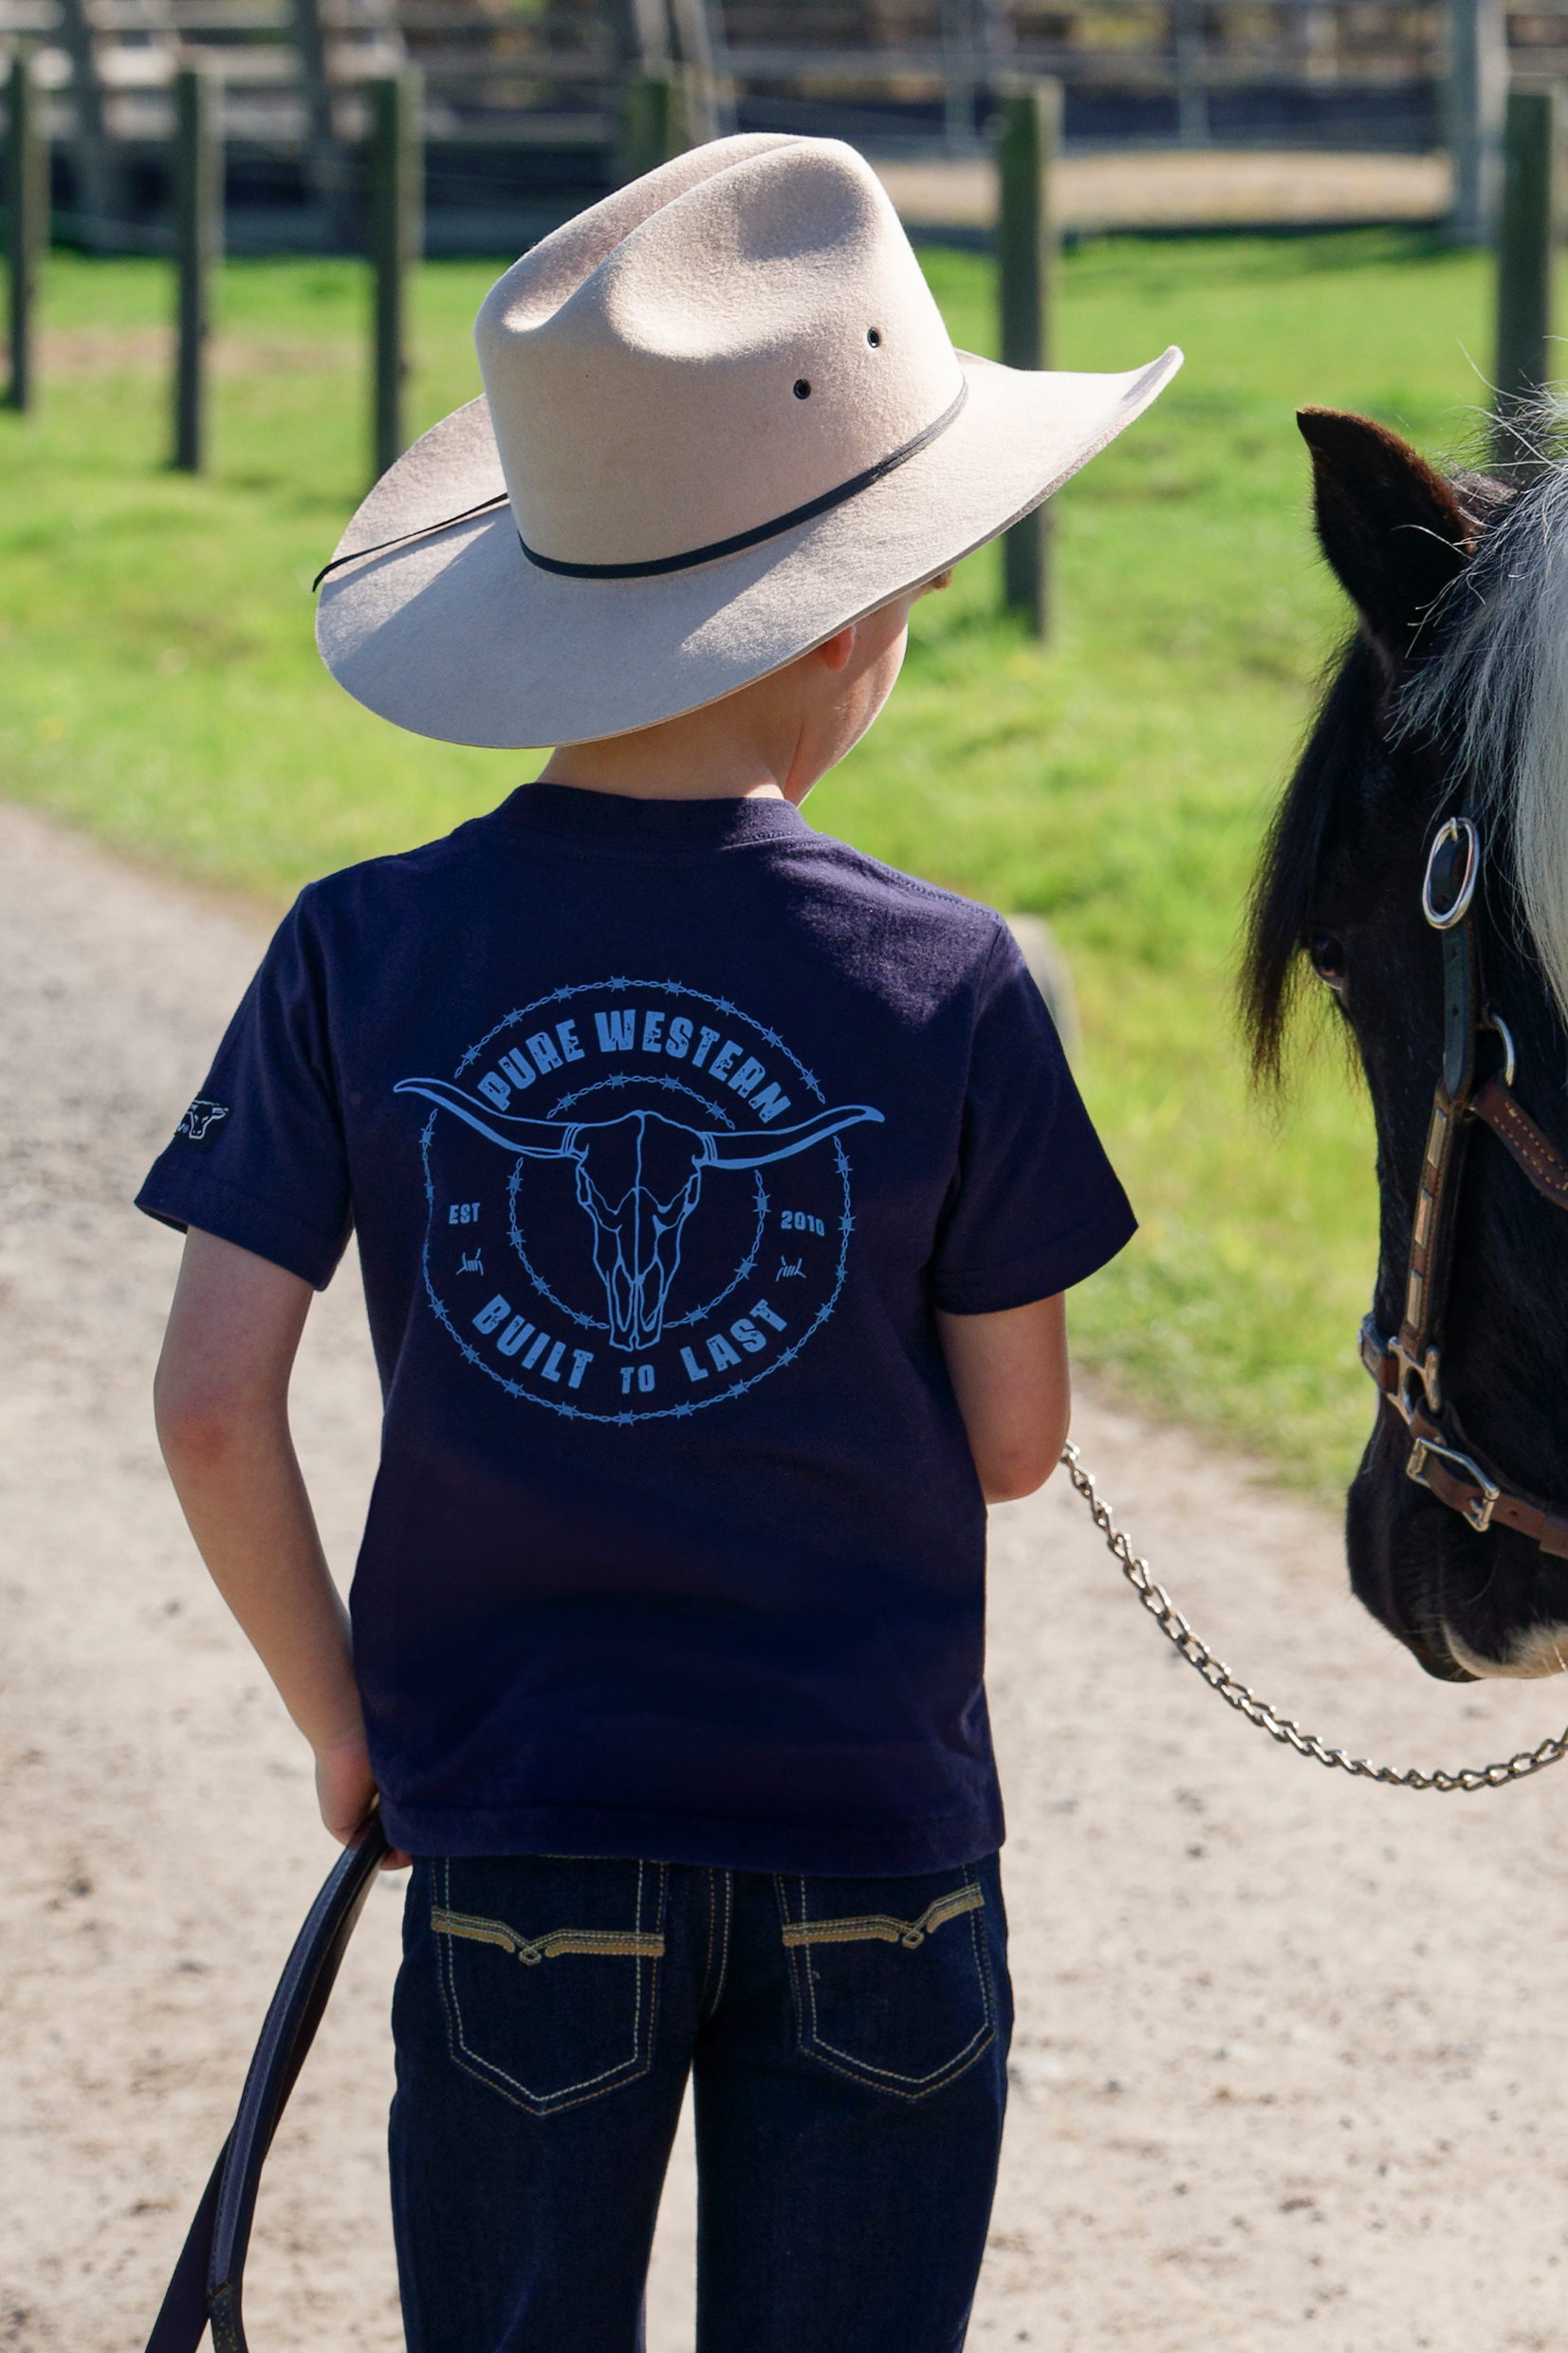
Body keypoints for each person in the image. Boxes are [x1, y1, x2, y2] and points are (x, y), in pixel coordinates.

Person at [138, 134, 1179, 2353]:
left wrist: (349, 1724)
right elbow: (1012, 1445)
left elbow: (212, 1399)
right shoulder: (957, 979)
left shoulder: (355, 950)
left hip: (518, 1835)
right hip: (871, 1850)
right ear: (866, 610)